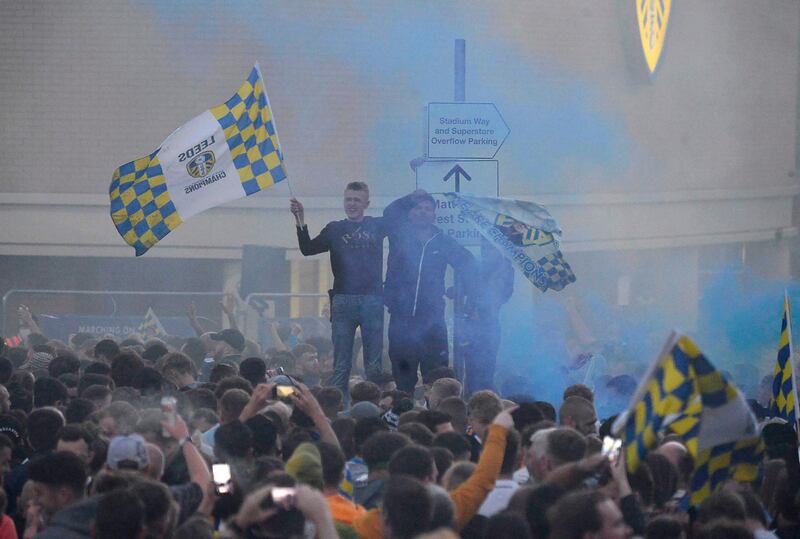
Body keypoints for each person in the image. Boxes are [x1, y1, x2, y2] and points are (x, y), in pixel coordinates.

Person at [290, 182, 388, 403]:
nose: (352, 204)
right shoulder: (335, 229)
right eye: (348, 200)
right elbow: (308, 249)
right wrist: (300, 219)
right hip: (343, 299)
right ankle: (336, 409)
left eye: (357, 200)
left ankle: (373, 407)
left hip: (372, 299)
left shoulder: (377, 225)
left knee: (373, 364)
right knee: (341, 363)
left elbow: (399, 218)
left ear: (366, 204)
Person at [382, 190, 475, 395]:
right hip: (401, 320)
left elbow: (468, 263)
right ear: (410, 213)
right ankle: (402, 418)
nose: (423, 212)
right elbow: (389, 213)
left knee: (437, 377)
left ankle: (438, 420)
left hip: (432, 321)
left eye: (428, 209)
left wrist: (461, 290)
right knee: (403, 378)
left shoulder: (443, 241)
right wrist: (409, 197)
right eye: (418, 208)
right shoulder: (399, 235)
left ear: (434, 215)